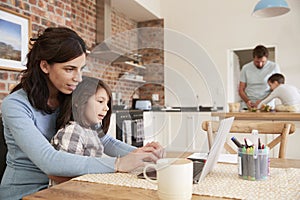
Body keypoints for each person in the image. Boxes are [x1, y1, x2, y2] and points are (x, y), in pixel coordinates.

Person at [0, 27, 163, 199]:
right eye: (69, 69)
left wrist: (143, 154)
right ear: (45, 66)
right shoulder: (16, 105)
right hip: (26, 193)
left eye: (81, 69)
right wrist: (119, 163)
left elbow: (104, 139)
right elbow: (49, 160)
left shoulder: (71, 96)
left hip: (67, 185)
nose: (78, 78)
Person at [239, 45, 280, 110]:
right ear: (253, 58)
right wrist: (247, 101)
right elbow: (241, 89)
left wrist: (263, 101)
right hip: (249, 106)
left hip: (267, 105)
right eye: (257, 62)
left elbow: (276, 89)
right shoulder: (245, 68)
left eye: (263, 62)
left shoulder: (274, 67)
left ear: (267, 58)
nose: (260, 64)